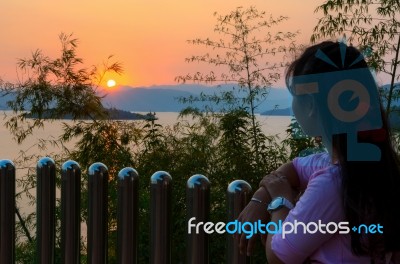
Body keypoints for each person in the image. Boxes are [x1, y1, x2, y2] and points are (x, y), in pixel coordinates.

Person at [236, 41, 400, 263]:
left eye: (294, 95)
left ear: (312, 105)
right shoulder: (363, 165)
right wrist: (260, 197)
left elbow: (277, 255)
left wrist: (280, 202)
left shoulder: (333, 185)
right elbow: (293, 168)